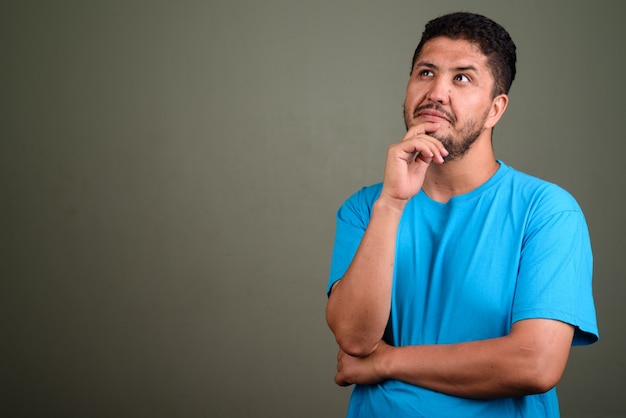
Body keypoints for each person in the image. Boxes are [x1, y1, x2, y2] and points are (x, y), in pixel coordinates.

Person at [325, 11, 598, 417]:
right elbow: (355, 339)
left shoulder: (547, 211)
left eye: (462, 78)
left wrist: (386, 362)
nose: (436, 92)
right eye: (425, 73)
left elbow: (535, 364)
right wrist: (393, 202)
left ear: (495, 109)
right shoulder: (366, 208)